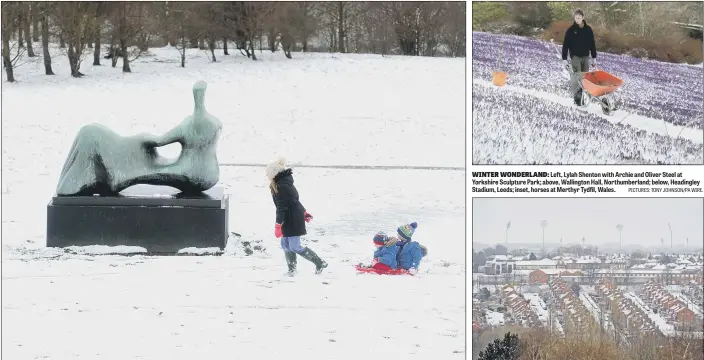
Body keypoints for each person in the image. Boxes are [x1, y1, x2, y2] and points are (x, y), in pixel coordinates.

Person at [266, 157, 327, 275]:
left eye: (268, 173)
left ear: (274, 173)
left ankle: (320, 262)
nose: (266, 175)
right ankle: (292, 269)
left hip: (292, 220)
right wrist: (304, 212)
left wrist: (278, 225)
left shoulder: (282, 186)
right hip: (289, 218)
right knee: (285, 245)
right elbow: (294, 201)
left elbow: (281, 207)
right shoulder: (282, 184)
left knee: (295, 246)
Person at [561, 9, 597, 105]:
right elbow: (566, 45)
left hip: (585, 57)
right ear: (574, 18)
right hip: (575, 57)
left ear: (583, 18)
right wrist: (564, 59)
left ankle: (584, 96)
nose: (577, 20)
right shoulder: (571, 30)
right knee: (577, 77)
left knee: (585, 78)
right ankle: (577, 98)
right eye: (576, 18)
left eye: (579, 18)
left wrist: (594, 57)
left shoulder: (588, 30)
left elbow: (592, 44)